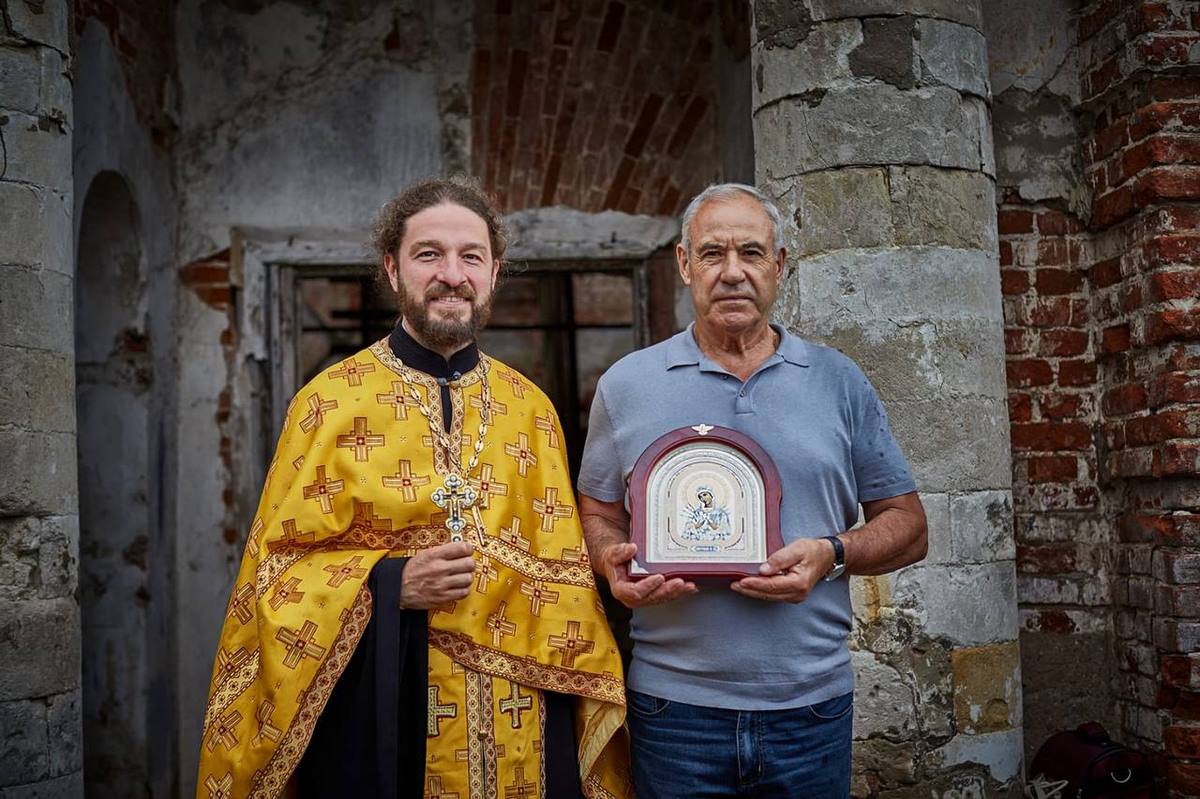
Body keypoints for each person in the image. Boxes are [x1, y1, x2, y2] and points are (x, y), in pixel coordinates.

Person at [196, 178, 630, 799]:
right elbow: (276, 576)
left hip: (523, 717)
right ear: (392, 269)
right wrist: (389, 583)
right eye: (429, 254)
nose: (452, 274)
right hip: (384, 708)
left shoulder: (530, 410)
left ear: (494, 273)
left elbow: (564, 574)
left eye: (471, 256)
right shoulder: (329, 404)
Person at [577, 183, 928, 798]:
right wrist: (610, 562)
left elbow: (909, 525)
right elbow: (596, 512)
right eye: (713, 253)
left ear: (780, 265)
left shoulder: (838, 381)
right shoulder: (627, 384)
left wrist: (831, 554)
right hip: (673, 708)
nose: (733, 272)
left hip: (811, 708)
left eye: (752, 252)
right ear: (685, 264)